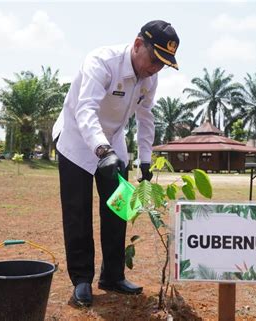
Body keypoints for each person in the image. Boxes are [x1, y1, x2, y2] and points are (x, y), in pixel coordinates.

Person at [52, 20, 180, 307]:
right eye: (154, 59)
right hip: (76, 138)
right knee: (78, 211)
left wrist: (145, 160)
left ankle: (112, 275)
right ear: (137, 45)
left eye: (163, 63)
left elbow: (146, 117)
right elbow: (85, 110)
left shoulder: (150, 77)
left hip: (113, 140)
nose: (156, 68)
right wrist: (101, 150)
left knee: (119, 209)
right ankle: (82, 280)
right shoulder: (102, 62)